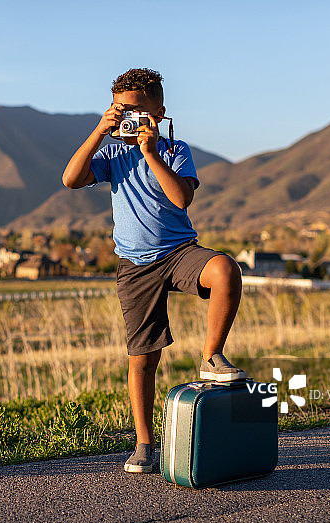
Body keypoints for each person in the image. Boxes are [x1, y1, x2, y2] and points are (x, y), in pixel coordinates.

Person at [61, 68, 245, 474]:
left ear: (159, 113)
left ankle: (211, 356)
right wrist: (98, 131)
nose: (130, 118)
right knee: (142, 358)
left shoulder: (175, 150)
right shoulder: (110, 155)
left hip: (179, 252)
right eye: (121, 111)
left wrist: (149, 152)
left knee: (226, 270)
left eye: (138, 111)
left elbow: (181, 198)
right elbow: (71, 179)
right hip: (135, 267)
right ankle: (145, 443)